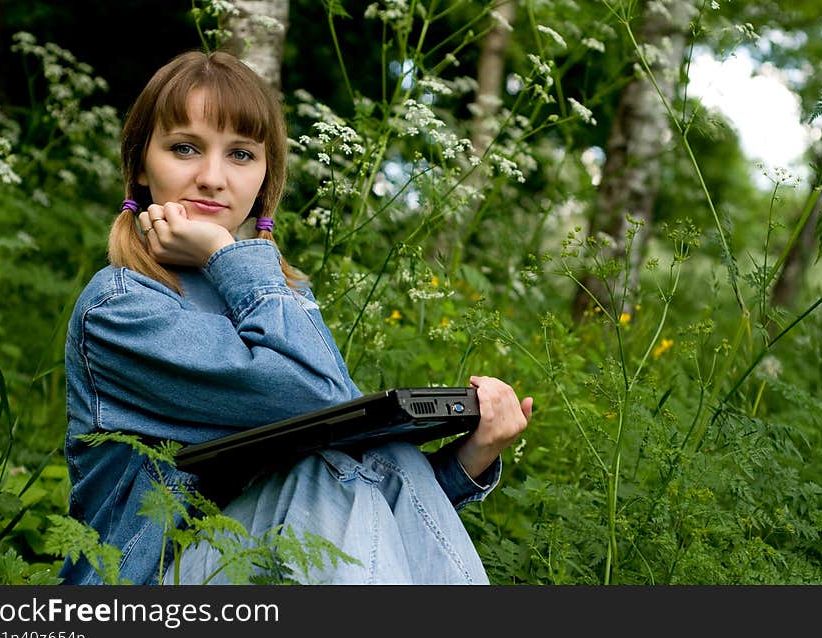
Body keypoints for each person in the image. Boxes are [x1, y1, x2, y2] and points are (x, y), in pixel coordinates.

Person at [59, 49, 533, 586]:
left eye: (240, 155)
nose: (213, 177)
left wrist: (468, 458)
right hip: (136, 589)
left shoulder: (279, 294)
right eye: (185, 148)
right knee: (315, 472)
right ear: (140, 165)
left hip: (251, 569)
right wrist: (224, 250)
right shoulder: (120, 308)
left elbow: (360, 493)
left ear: (265, 177)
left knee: (388, 458)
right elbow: (319, 399)